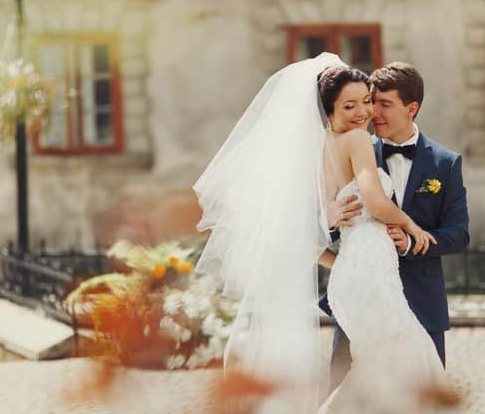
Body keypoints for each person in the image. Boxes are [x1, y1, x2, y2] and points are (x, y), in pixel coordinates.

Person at [193, 53, 454, 413]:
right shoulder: (358, 142)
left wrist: (340, 255)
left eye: (366, 101)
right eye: (350, 105)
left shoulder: (318, 152)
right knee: (401, 361)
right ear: (327, 109)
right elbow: (376, 203)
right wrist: (410, 225)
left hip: (352, 275)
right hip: (368, 277)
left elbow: (296, 231)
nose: (363, 112)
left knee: (381, 366)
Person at [319, 62, 470, 393]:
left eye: (383, 104)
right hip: (364, 300)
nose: (372, 112)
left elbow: (459, 233)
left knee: (421, 401)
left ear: (411, 108)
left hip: (422, 303)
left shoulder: (446, 164)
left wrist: (412, 241)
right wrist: (327, 214)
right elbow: (324, 228)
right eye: (371, 102)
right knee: (346, 396)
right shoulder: (352, 144)